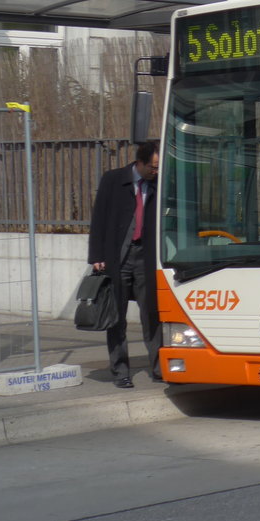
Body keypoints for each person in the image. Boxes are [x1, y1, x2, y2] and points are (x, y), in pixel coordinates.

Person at [87, 141, 162, 388]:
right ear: (139, 163)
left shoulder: (158, 184)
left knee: (151, 312)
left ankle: (159, 367)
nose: (156, 171)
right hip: (117, 256)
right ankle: (120, 371)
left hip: (147, 256)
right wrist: (97, 256)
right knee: (115, 315)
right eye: (152, 167)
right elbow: (99, 219)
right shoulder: (113, 180)